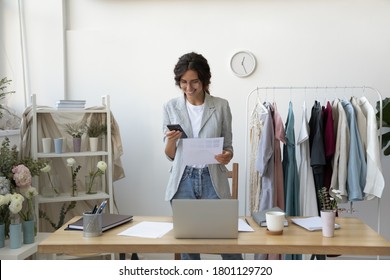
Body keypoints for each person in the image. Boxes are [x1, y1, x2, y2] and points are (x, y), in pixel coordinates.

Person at [162, 52, 243, 260]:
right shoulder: (171, 107)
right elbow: (170, 155)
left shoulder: (221, 106)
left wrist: (227, 155)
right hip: (183, 180)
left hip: (212, 178)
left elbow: (228, 146)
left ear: (205, 80)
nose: (189, 88)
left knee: (227, 243)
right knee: (189, 246)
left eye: (194, 82)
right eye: (183, 82)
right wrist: (171, 140)